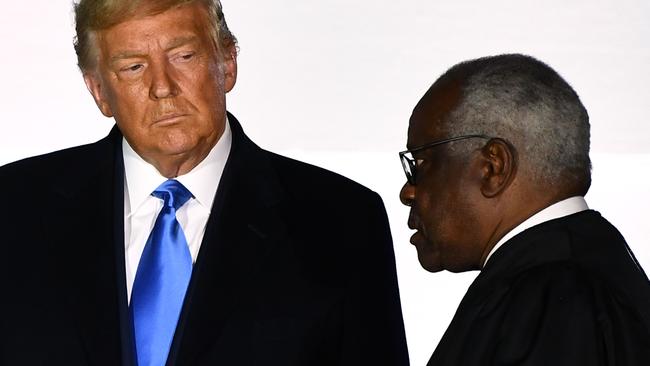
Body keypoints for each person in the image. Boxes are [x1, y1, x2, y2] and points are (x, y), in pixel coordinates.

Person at [0, 1, 409, 365]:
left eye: (184, 55)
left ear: (227, 63)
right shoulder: (14, 209)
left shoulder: (343, 221)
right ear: (99, 91)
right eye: (133, 66)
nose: (162, 87)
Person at [399, 54, 650, 365]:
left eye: (421, 164)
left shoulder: (553, 297)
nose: (407, 192)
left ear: (493, 167)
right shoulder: (587, 269)